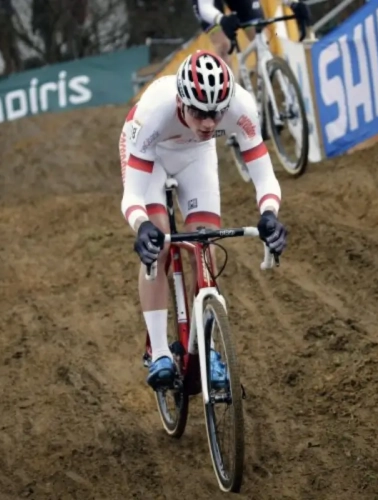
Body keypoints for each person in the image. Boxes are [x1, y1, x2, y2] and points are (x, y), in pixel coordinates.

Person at [119, 49, 289, 391]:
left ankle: (208, 350)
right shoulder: (154, 110)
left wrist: (269, 215)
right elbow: (132, 196)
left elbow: (265, 176)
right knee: (161, 241)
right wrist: (142, 226)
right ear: (181, 102)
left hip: (196, 156)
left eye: (215, 113)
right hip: (150, 153)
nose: (209, 123)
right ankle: (160, 352)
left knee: (205, 242)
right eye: (198, 112)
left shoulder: (240, 106)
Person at [192, 0, 310, 67]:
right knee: (223, 45)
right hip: (208, 3)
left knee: (261, 39)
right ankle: (226, 97)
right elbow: (205, 8)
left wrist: (293, 3)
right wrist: (222, 19)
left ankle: (267, 85)